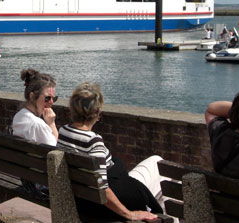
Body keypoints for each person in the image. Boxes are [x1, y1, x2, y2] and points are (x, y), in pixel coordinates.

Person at [58, 82, 164, 222]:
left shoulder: (63, 131)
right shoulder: (93, 141)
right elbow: (102, 189)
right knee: (157, 163)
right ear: (97, 113)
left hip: (83, 199)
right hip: (103, 205)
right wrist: (129, 214)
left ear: (72, 109)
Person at [11, 69, 58, 145]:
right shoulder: (37, 124)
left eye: (54, 98)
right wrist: (51, 124)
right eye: (47, 98)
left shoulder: (19, 115)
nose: (51, 102)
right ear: (32, 96)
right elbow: (53, 148)